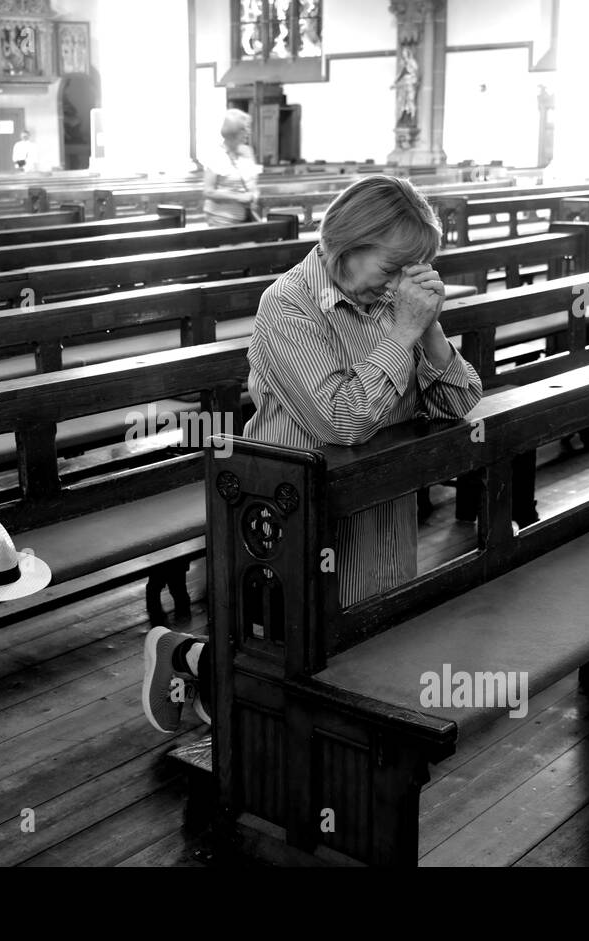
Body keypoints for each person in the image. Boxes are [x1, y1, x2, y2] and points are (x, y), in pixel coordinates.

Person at [142, 175, 484, 733]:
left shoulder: (393, 302)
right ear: (346, 246)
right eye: (392, 268)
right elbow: (342, 421)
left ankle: (317, 755)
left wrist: (429, 329)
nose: (401, 285)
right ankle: (190, 664)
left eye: (412, 271)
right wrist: (401, 335)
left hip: (375, 495)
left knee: (367, 634)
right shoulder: (288, 307)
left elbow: (460, 401)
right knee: (290, 647)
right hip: (289, 503)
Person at [202, 109, 260, 227]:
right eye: (244, 129)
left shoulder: (247, 152)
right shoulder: (217, 155)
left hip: (247, 216)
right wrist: (238, 198)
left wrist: (254, 194)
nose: (248, 132)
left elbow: (252, 183)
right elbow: (208, 191)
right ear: (233, 131)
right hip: (221, 218)